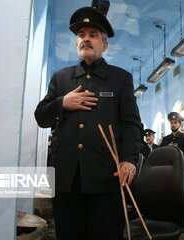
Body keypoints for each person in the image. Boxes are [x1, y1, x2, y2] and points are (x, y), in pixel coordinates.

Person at [34, 6, 141, 240]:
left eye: (93, 35)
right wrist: (63, 102)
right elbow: (41, 116)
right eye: (81, 35)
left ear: (105, 44)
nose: (86, 39)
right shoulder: (61, 78)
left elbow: (132, 124)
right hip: (66, 180)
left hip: (106, 179)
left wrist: (128, 160)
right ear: (76, 43)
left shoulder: (121, 78)